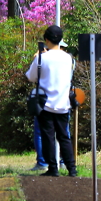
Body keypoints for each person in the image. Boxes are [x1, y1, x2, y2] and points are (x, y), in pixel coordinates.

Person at [25, 25, 77, 177]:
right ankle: (71, 169)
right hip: (63, 103)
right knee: (64, 137)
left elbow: (30, 77)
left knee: (48, 137)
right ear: (61, 40)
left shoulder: (42, 58)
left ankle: (53, 168)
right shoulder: (68, 58)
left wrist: (36, 58)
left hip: (45, 104)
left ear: (46, 39)